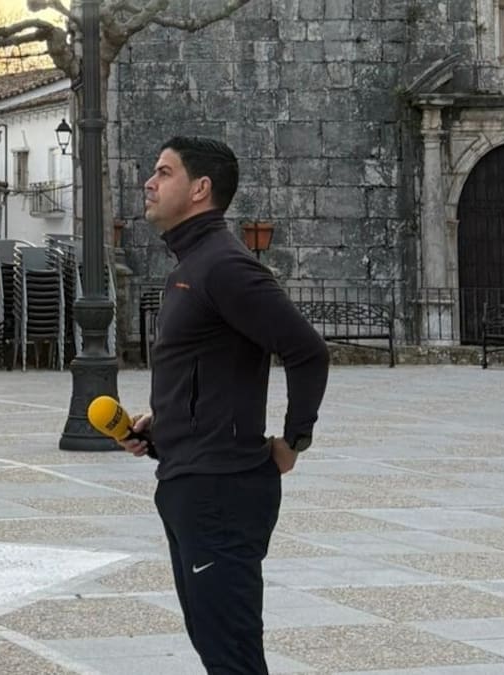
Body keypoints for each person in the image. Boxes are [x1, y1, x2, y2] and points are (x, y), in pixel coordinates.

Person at [121, 137, 329, 674]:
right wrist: (160, 425)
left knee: (232, 656)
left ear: (200, 189)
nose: (150, 181)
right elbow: (208, 371)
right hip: (190, 479)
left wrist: (293, 440)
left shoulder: (226, 267)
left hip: (222, 489)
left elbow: (307, 350)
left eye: (164, 172)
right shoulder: (193, 264)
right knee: (217, 649)